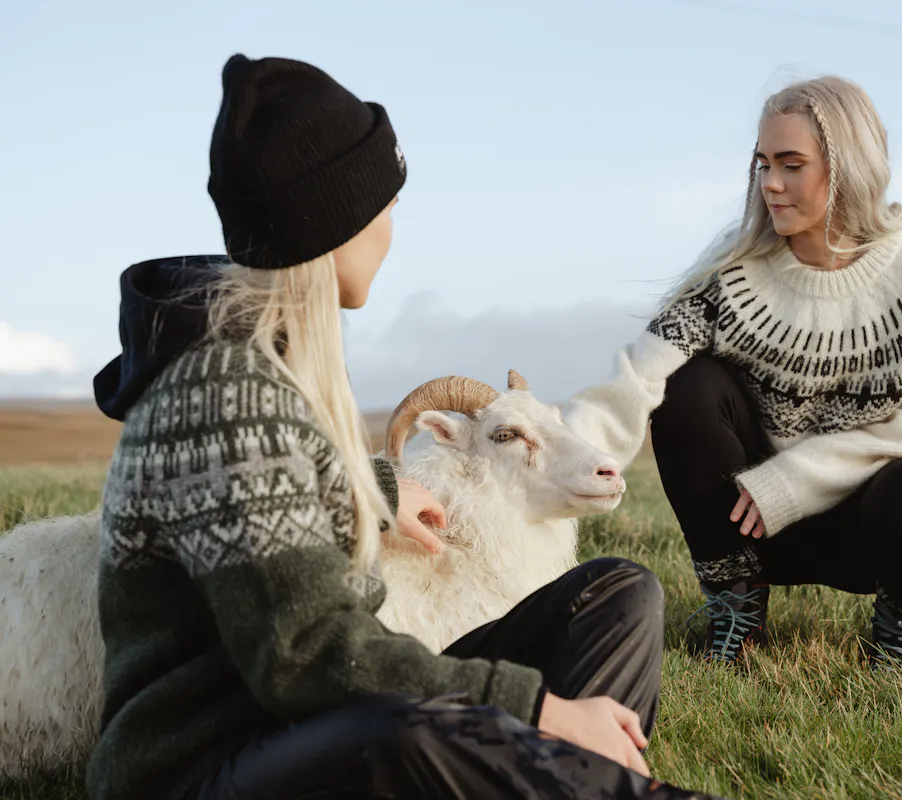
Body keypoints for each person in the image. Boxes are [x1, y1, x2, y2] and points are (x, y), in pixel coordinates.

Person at [86, 53, 721, 800]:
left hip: (290, 727)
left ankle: (572, 779)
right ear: (330, 216)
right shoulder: (225, 392)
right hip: (205, 763)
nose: (391, 222)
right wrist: (541, 707)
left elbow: (266, 501)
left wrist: (378, 487)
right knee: (407, 730)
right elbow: (305, 655)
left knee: (617, 594)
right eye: (382, 200)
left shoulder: (277, 362)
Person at [561, 75, 902, 668]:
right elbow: (637, 379)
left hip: (875, 523)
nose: (771, 184)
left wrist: (799, 479)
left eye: (791, 164)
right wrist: (560, 458)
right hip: (755, 524)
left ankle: (901, 628)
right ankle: (736, 606)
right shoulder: (734, 273)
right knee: (688, 386)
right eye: (762, 163)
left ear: (849, 167)